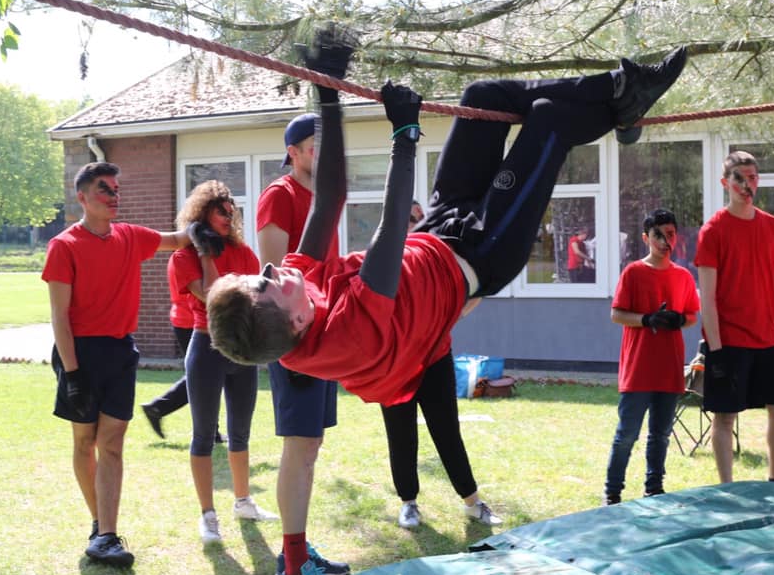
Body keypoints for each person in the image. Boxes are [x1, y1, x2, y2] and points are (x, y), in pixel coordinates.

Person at [207, 26, 687, 458]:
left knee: (484, 97)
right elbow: (389, 231)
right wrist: (405, 133)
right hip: (483, 252)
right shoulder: (343, 337)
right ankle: (624, 105)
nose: (271, 268)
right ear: (294, 319)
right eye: (267, 282)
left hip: (438, 230)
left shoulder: (298, 293)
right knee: (547, 120)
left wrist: (326, 90)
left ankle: (624, 98)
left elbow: (328, 197)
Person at [42, 161, 192, 567]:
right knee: (83, 442)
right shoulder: (64, 246)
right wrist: (72, 374)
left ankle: (107, 534)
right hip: (79, 354)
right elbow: (59, 317)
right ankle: (98, 523)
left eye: (115, 189)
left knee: (111, 444)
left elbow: (177, 240)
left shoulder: (129, 237)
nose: (113, 196)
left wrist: (208, 222)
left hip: (121, 353)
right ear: (83, 198)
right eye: (104, 189)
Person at [256, 110, 350, 575]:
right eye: (317, 145)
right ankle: (293, 562)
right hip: (293, 338)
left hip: (322, 335)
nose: (325, 154)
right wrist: (289, 343)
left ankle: (296, 549)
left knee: (310, 444)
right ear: (292, 153)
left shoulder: (323, 197)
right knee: (300, 445)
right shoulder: (280, 195)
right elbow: (271, 276)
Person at [378, 200, 501, 529]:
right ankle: (408, 503)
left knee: (447, 430)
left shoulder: (435, 258)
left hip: (434, 357)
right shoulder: (382, 260)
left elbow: (474, 289)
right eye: (411, 218)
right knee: (400, 433)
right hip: (395, 363)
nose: (417, 223)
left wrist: (450, 315)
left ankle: (472, 502)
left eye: (420, 218)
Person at [171, 180, 278, 545]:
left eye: (231, 208)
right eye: (220, 209)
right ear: (202, 214)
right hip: (206, 347)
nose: (229, 214)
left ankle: (243, 501)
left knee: (241, 432)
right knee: (203, 435)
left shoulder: (243, 252)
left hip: (242, 349)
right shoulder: (183, 257)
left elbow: (255, 301)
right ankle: (208, 515)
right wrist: (203, 251)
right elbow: (214, 296)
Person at [695, 150, 774, 484]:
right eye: (739, 178)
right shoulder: (713, 230)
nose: (746, 184)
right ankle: (727, 488)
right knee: (725, 417)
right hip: (729, 341)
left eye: (752, 177)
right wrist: (717, 350)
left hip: (766, 339)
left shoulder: (772, 226)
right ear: (726, 183)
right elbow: (706, 296)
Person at [603, 209, 699, 505]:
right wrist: (647, 320)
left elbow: (693, 315)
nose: (664, 240)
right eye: (658, 235)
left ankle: (654, 489)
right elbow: (616, 314)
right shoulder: (633, 272)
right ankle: (613, 492)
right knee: (627, 435)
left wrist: (677, 321)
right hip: (638, 370)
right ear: (646, 238)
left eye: (669, 234)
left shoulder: (683, 276)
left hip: (668, 369)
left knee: (660, 435)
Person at [139, 255, 224, 444]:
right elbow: (203, 292)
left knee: (205, 377)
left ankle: (212, 430)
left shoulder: (183, 257)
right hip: (191, 323)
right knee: (203, 378)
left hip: (186, 320)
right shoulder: (186, 258)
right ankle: (158, 408)